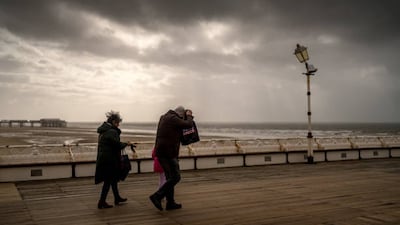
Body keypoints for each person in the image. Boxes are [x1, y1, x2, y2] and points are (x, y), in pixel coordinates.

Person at [149, 106, 194, 211]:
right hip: (168, 153)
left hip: (162, 152)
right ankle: (157, 196)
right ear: (180, 114)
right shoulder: (173, 118)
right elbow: (188, 124)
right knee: (176, 177)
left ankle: (170, 203)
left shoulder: (164, 117)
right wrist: (189, 116)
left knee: (170, 178)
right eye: (182, 117)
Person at [95, 111, 134, 209]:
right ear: (113, 122)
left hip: (104, 158)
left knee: (113, 180)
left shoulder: (104, 130)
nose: (118, 125)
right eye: (117, 122)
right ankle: (101, 202)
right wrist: (127, 144)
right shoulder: (112, 131)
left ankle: (117, 198)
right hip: (109, 160)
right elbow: (117, 145)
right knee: (108, 181)